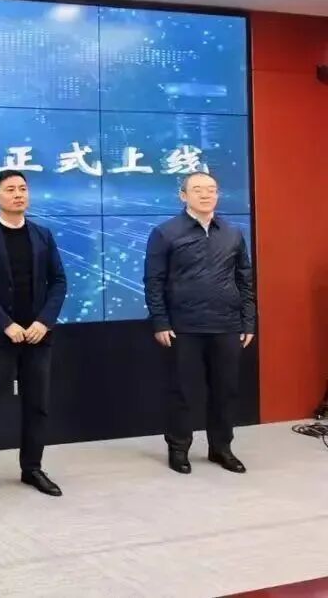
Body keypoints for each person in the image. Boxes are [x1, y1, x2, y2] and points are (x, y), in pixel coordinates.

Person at [0, 170, 68, 498]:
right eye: (10, 189)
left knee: (37, 405)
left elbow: (59, 281)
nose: (19, 194)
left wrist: (44, 322)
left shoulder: (42, 235)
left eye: (23, 188)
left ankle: (32, 468)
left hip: (37, 336)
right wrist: (6, 324)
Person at [144, 171, 256, 475]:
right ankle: (179, 448)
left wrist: (248, 321)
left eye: (211, 189)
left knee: (226, 391)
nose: (206, 195)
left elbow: (244, 280)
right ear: (183, 196)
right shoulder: (165, 232)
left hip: (227, 325)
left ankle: (221, 448)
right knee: (182, 391)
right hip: (183, 327)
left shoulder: (233, 233)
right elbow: (154, 282)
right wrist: (160, 321)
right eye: (198, 190)